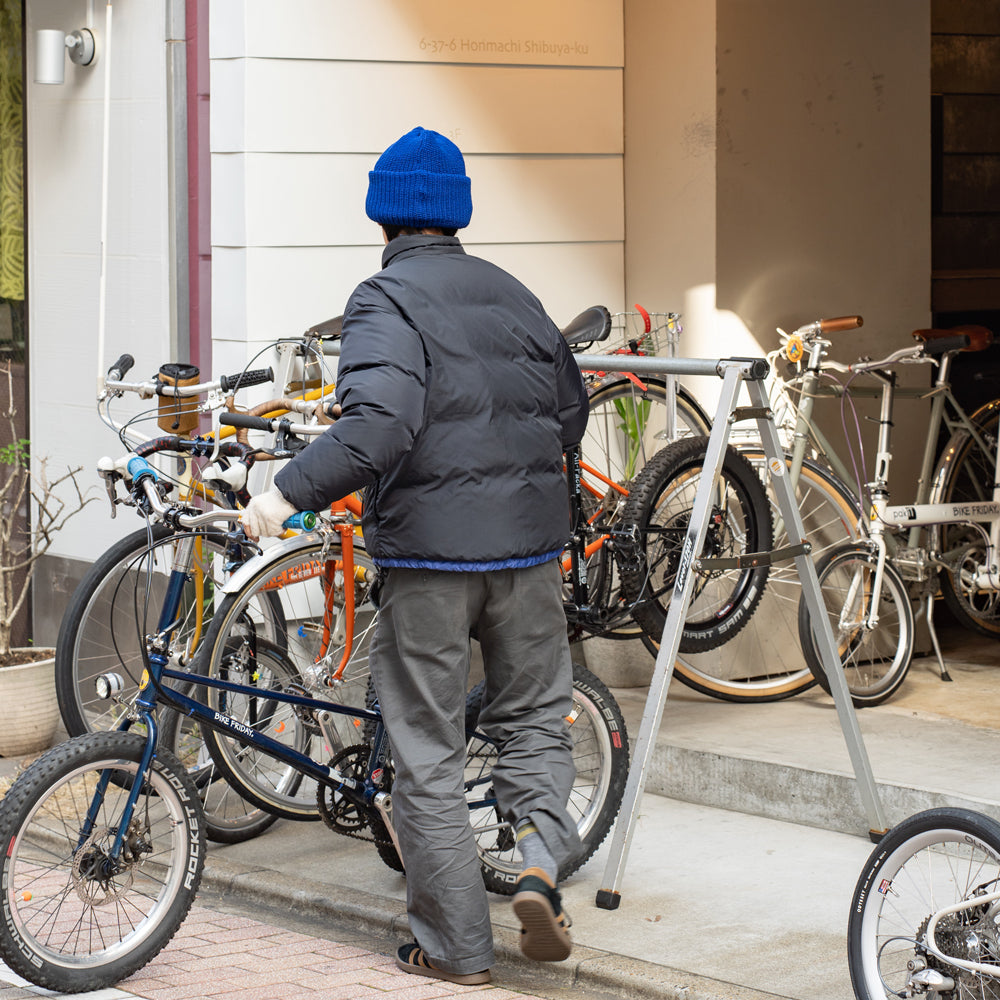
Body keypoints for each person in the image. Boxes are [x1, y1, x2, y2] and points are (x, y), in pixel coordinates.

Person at [241, 126, 589, 987]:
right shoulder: (513, 292)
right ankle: (541, 860)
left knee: (426, 749)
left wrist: (282, 495)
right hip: (532, 552)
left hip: (434, 561)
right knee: (536, 720)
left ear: (385, 215)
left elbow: (380, 424)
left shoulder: (383, 298)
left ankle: (454, 952)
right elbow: (569, 410)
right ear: (455, 213)